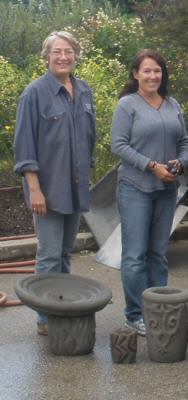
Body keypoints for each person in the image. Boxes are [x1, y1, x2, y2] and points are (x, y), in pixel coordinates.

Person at [13, 31, 96, 336]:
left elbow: (89, 137)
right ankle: (47, 318)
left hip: (75, 187)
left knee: (64, 253)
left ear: (76, 56)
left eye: (69, 51)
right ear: (46, 57)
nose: (63, 57)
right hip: (47, 190)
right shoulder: (34, 94)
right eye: (57, 52)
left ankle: (63, 304)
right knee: (49, 255)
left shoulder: (84, 91)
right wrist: (34, 189)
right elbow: (24, 148)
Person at [111, 49, 188, 336]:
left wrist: (180, 163)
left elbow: (184, 141)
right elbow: (118, 145)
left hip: (166, 189)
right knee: (134, 255)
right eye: (146, 71)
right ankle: (134, 314)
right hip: (136, 188)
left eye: (157, 71)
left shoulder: (172, 104)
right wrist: (151, 165)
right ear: (136, 74)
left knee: (158, 253)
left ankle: (157, 308)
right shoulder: (127, 105)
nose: (152, 76)